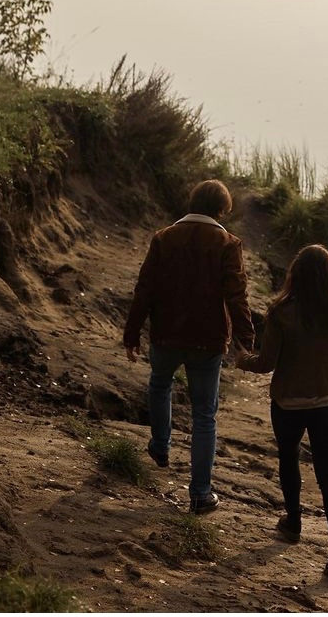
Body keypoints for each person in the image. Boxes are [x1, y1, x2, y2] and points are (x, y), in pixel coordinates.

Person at [123, 179, 255, 514]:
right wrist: (246, 342)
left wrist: (132, 331)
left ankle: (160, 444)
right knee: (204, 416)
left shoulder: (164, 238)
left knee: (159, 385)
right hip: (207, 341)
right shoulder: (228, 243)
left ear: (192, 202)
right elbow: (236, 297)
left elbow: (145, 288)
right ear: (222, 209)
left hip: (166, 333)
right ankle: (200, 494)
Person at [236, 243, 328, 578]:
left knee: (288, 458)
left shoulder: (281, 311)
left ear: (295, 276)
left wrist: (243, 361)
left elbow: (267, 363)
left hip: (289, 403)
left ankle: (294, 524)